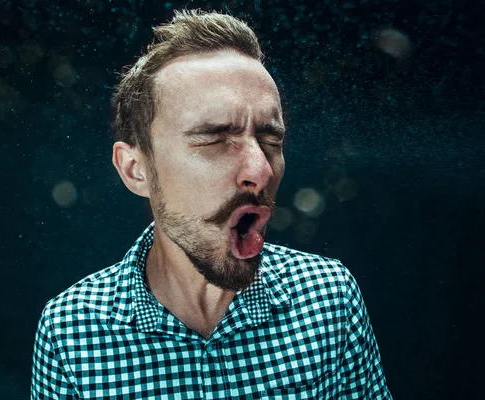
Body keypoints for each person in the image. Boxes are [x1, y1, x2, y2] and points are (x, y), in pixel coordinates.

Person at [31, 9, 392, 399]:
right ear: (136, 170)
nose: (260, 169)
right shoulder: (70, 331)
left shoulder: (328, 299)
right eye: (214, 138)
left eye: (271, 141)